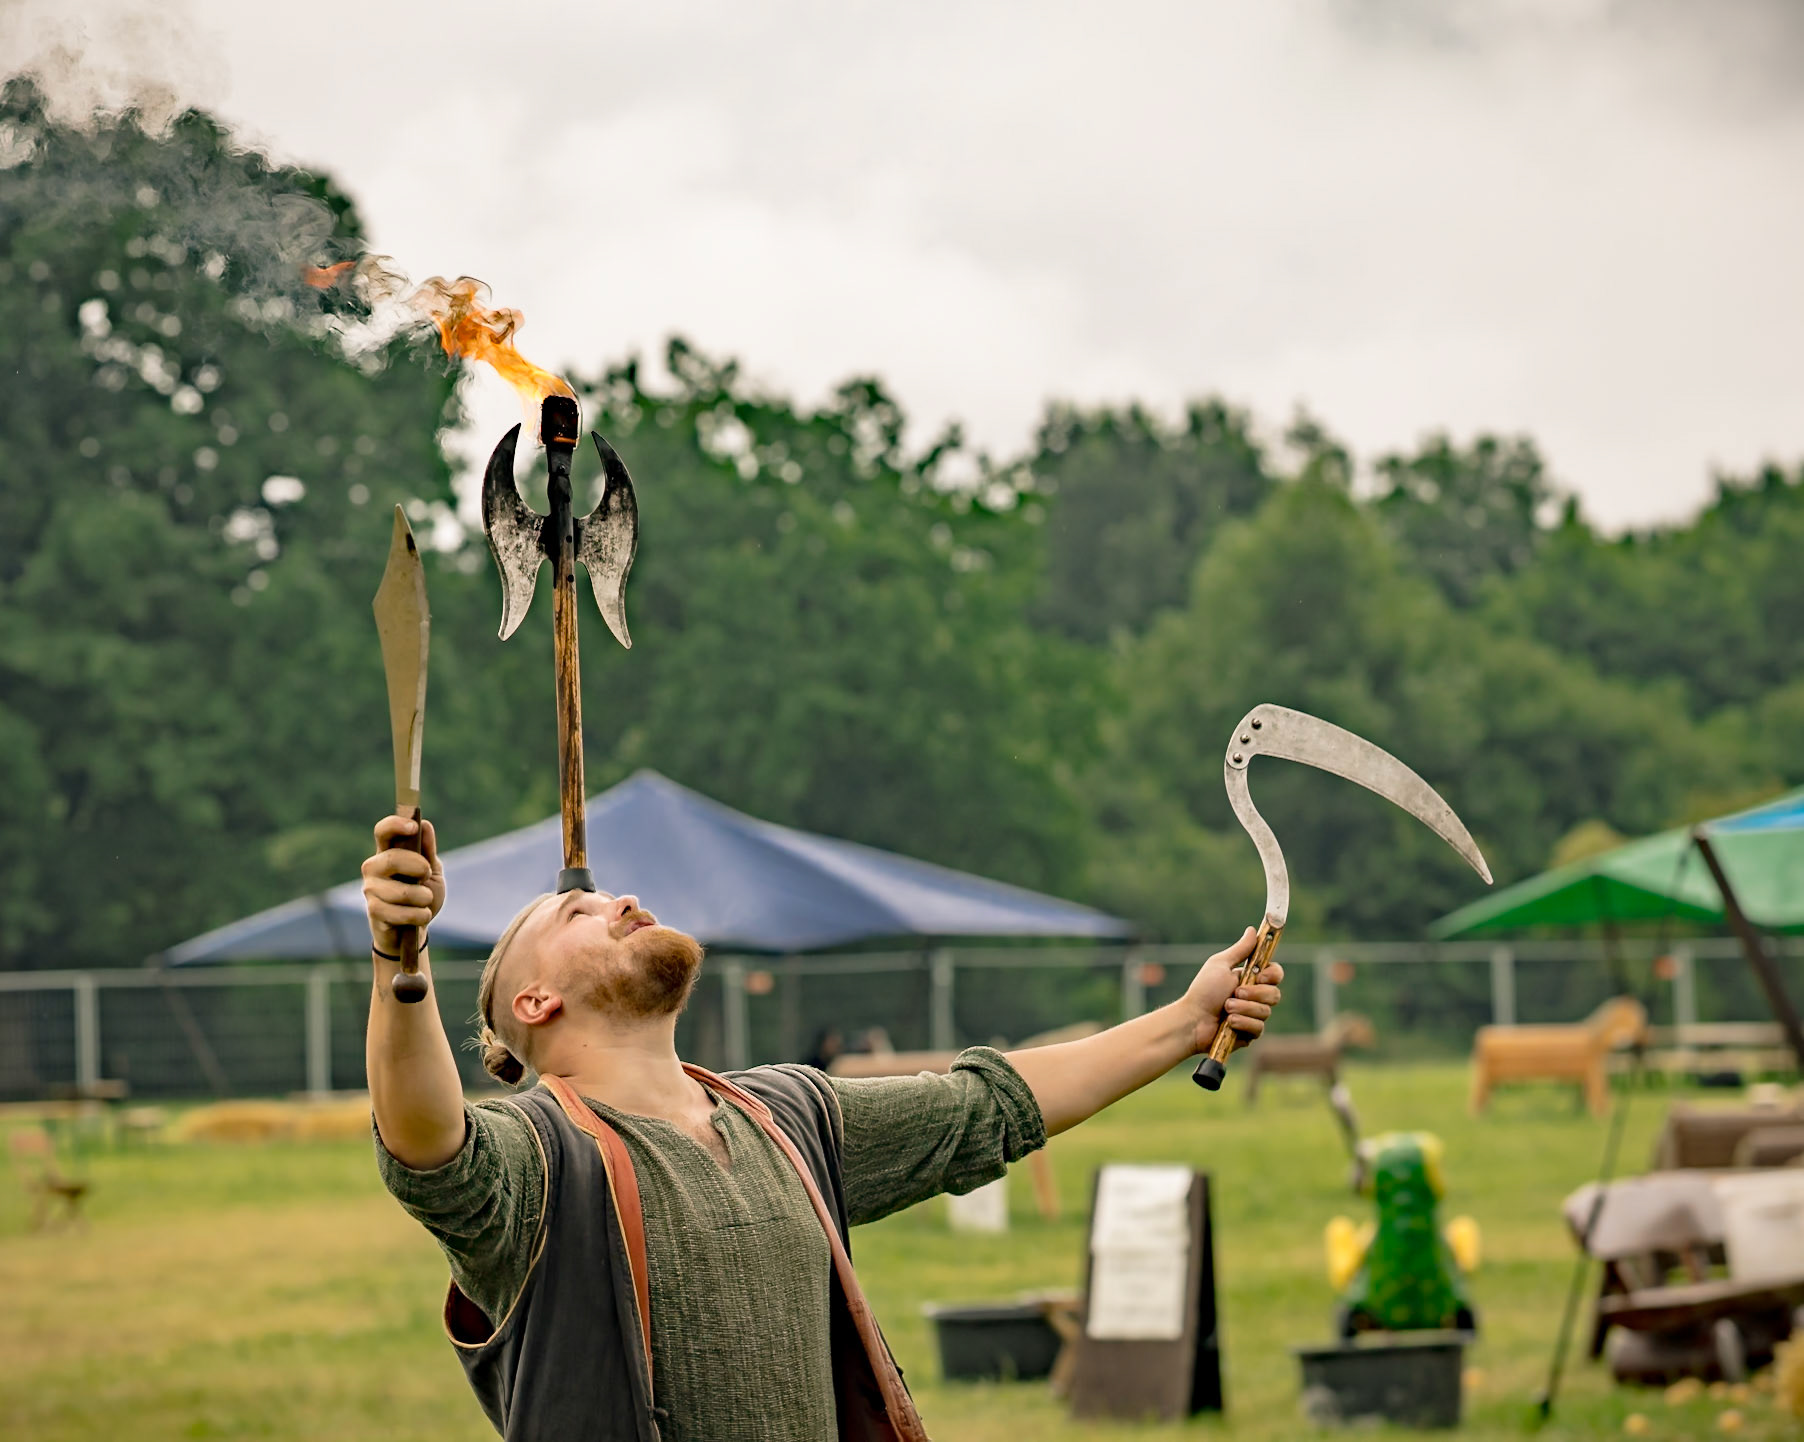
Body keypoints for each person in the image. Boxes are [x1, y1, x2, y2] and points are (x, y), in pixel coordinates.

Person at [363, 812, 1283, 1442]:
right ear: (535, 999)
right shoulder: (536, 1161)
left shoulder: (789, 1114)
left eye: (611, 898)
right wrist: (399, 952)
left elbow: (986, 1106)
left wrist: (1186, 1023)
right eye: (580, 911)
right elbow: (426, 1140)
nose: (622, 900)